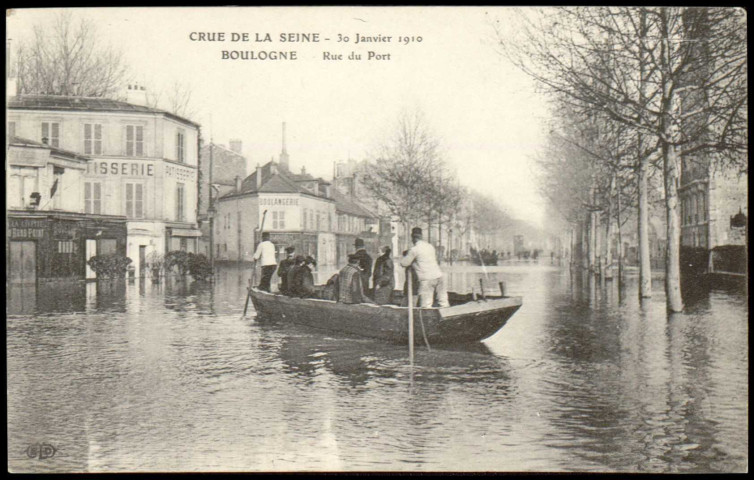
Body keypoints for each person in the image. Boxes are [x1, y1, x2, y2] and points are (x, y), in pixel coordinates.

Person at [400, 227, 449, 308]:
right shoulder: (430, 246)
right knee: (443, 302)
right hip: (439, 276)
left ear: (413, 238)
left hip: (427, 279)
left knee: (426, 305)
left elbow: (403, 263)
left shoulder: (414, 250)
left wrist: (408, 254)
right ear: (421, 237)